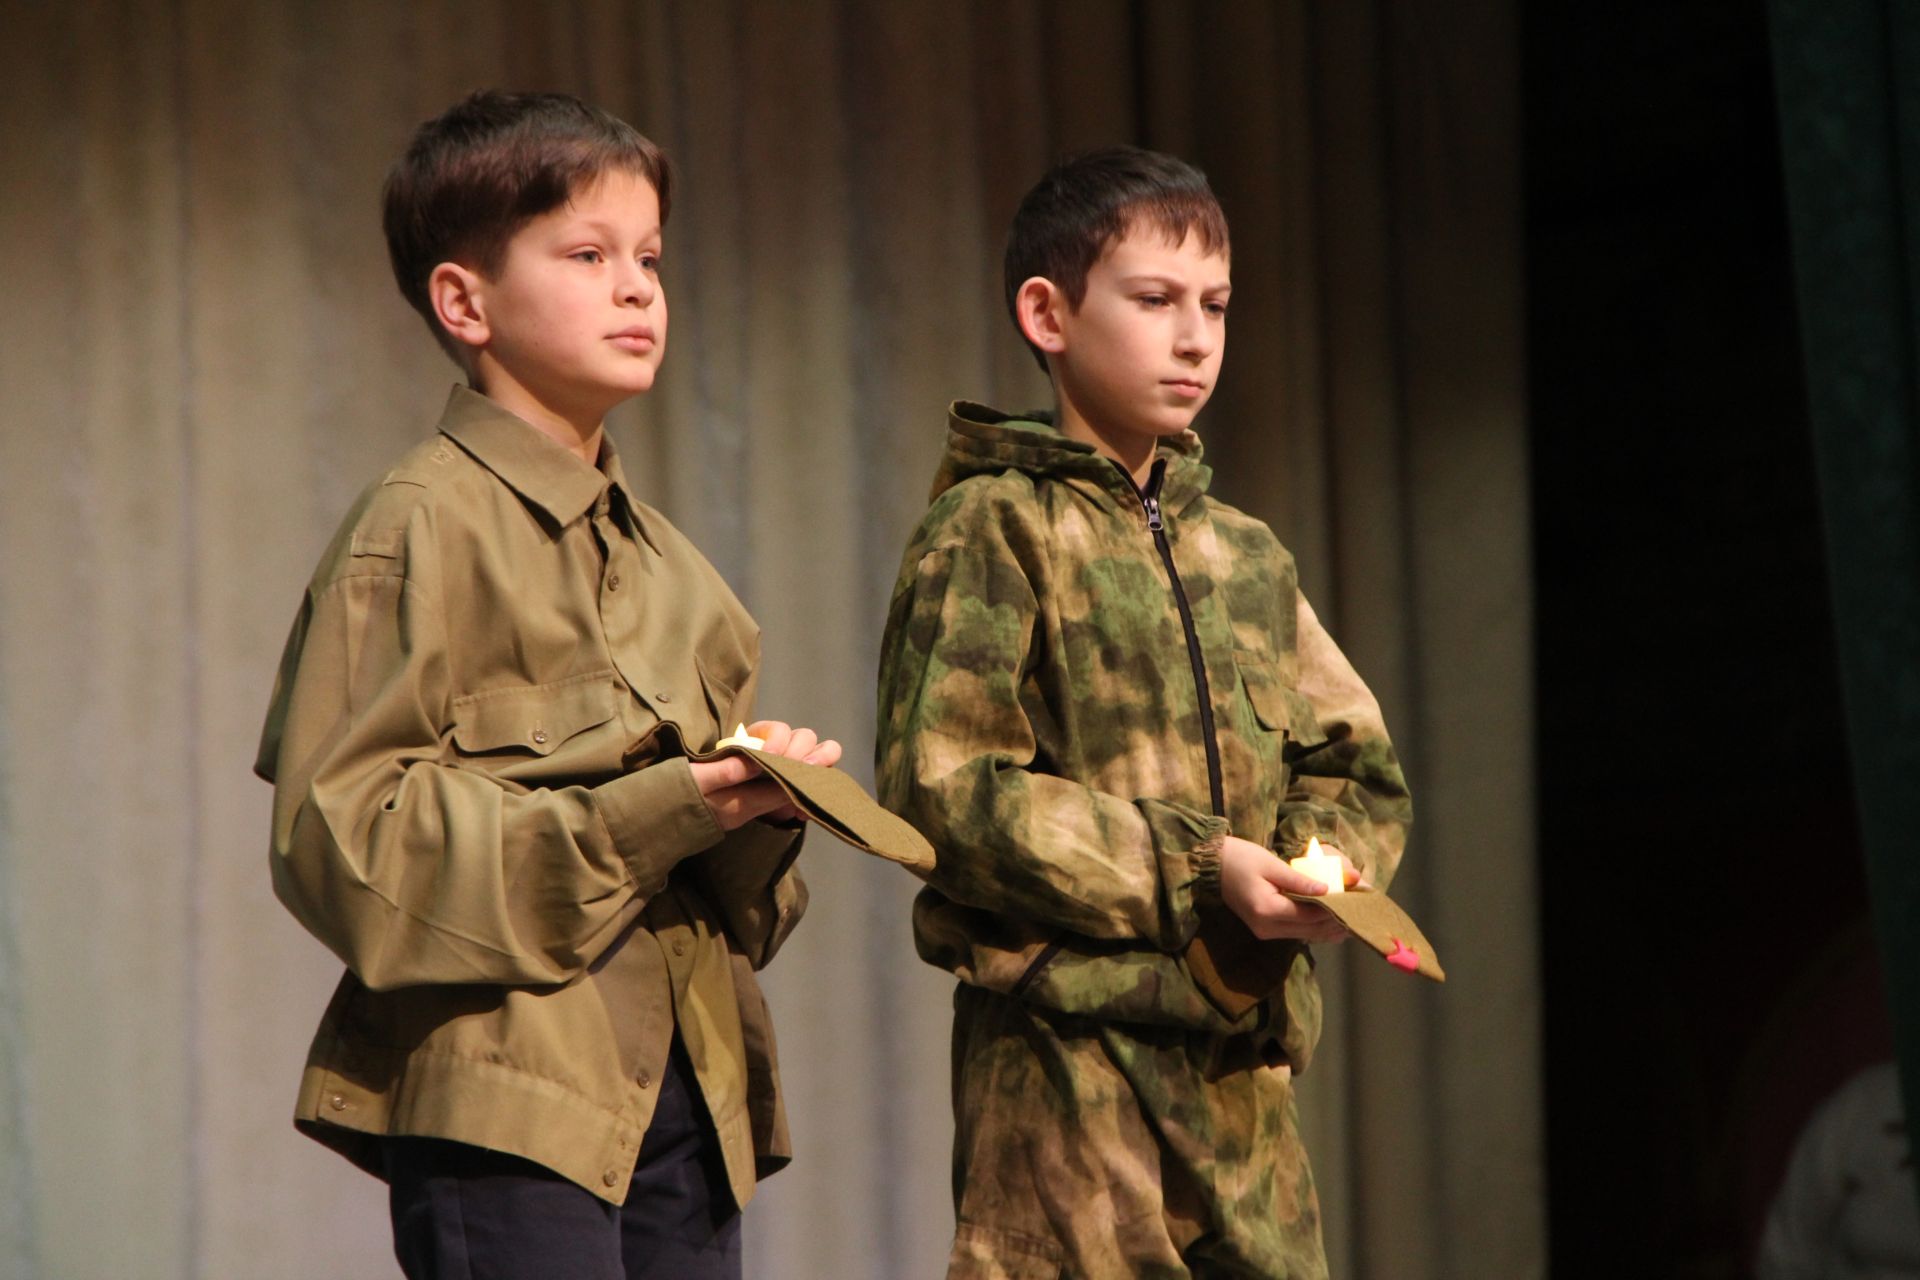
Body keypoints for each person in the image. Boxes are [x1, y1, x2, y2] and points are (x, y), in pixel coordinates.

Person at [254, 89, 838, 1280]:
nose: (637, 287)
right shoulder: (419, 526)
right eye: (588, 254)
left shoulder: (686, 579)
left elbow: (732, 903)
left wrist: (759, 810)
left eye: (650, 258)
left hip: (692, 1097)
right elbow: (346, 842)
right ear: (465, 301)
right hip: (514, 1103)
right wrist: (669, 805)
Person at [875, 146, 1413, 1278]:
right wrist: (1195, 864)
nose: (1195, 336)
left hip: (1244, 1086)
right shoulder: (993, 528)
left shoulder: (1247, 557)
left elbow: (1355, 766)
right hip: (1071, 1079)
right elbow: (946, 787)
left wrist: (1317, 868)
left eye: (1215, 304)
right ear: (1049, 312)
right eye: (1156, 299)